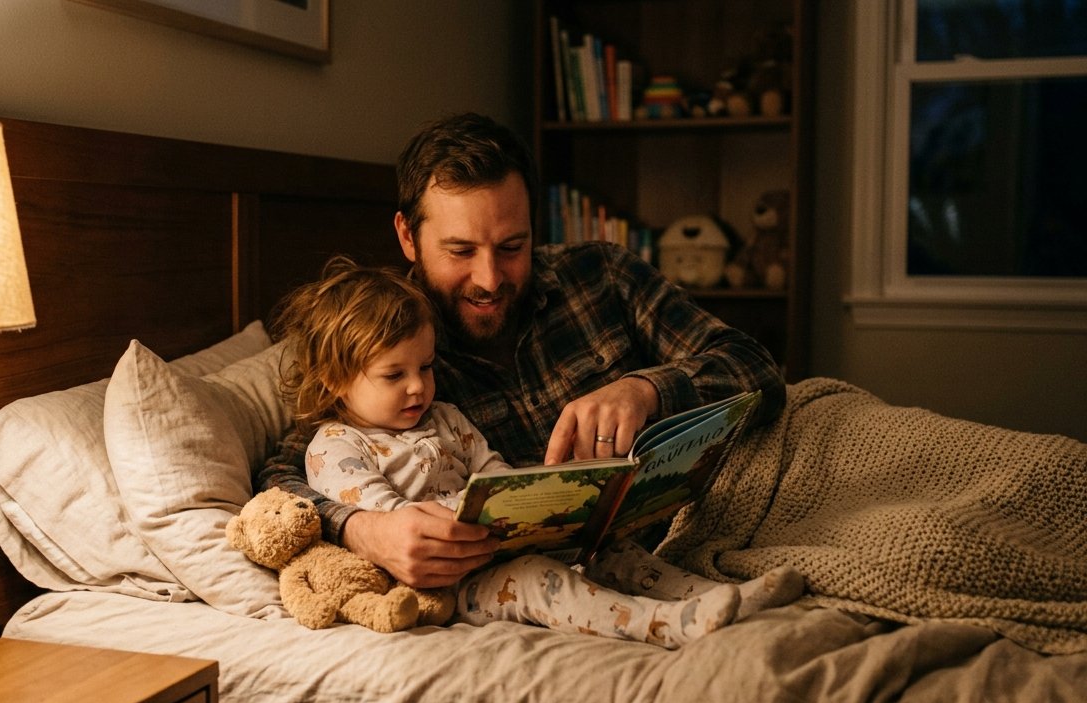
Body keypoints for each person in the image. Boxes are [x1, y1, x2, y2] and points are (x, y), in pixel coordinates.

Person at [260, 111, 786, 593]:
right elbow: (281, 477)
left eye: (512, 247)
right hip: (557, 578)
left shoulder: (603, 275)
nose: (489, 280)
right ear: (407, 236)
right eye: (460, 251)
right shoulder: (383, 343)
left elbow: (755, 366)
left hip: (706, 526)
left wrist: (644, 389)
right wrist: (366, 531)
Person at [272, 255, 803, 647]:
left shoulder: (446, 418)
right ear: (335, 380)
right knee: (537, 584)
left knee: (611, 552)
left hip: (497, 541)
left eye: (426, 367)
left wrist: (534, 503)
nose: (418, 387)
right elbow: (384, 516)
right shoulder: (335, 446)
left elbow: (493, 469)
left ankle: (710, 594)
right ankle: (659, 625)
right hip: (450, 579)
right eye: (395, 375)